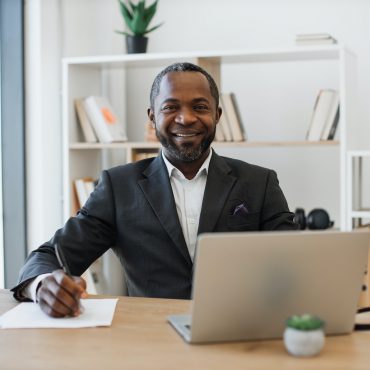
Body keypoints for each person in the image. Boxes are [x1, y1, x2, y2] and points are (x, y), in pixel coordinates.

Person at [12, 62, 298, 317]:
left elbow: (297, 261)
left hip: (240, 331)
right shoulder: (118, 187)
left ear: (217, 115)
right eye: (170, 107)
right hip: (151, 337)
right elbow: (48, 255)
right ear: (152, 117)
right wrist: (42, 286)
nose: (185, 118)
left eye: (199, 107)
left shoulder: (259, 182)